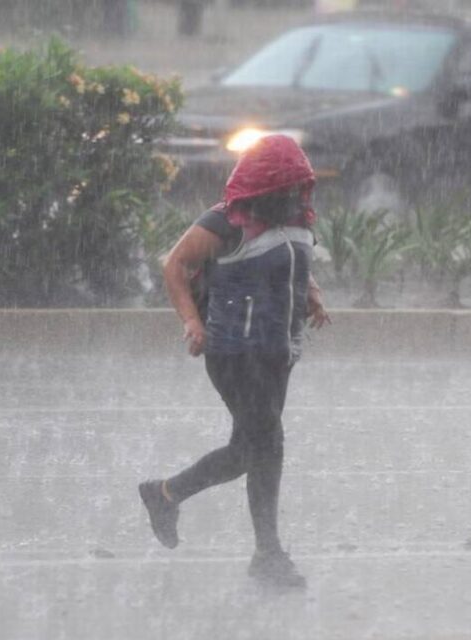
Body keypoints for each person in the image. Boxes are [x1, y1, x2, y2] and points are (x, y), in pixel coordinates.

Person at [139, 134, 330, 589]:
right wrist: (192, 322)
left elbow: (297, 263)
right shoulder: (228, 221)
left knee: (250, 450)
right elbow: (175, 265)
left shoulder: (298, 221)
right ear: (264, 182)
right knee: (268, 446)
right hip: (234, 351)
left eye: (297, 184)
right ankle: (268, 554)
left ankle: (166, 493)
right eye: (284, 184)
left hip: (279, 352)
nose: (291, 193)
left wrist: (314, 296)